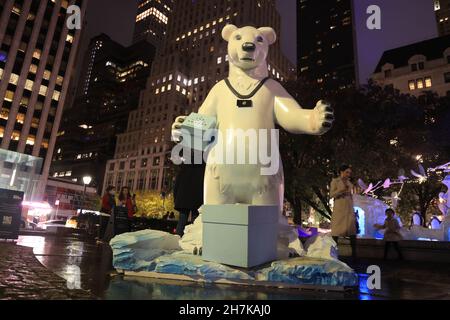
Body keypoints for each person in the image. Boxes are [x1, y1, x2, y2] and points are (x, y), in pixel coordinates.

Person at [174, 149, 205, 237]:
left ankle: (178, 239)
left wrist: (176, 197)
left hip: (183, 198)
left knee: (182, 219)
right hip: (197, 198)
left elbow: (177, 183)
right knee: (195, 221)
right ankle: (193, 241)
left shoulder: (184, 166)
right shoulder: (204, 166)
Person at [330, 165, 357, 260]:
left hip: (349, 210)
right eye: (347, 172)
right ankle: (333, 255)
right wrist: (341, 191)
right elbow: (331, 194)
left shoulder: (350, 183)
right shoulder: (335, 181)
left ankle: (354, 255)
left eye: (349, 173)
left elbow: (351, 196)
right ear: (341, 172)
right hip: (339, 210)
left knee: (352, 233)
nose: (348, 174)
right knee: (336, 234)